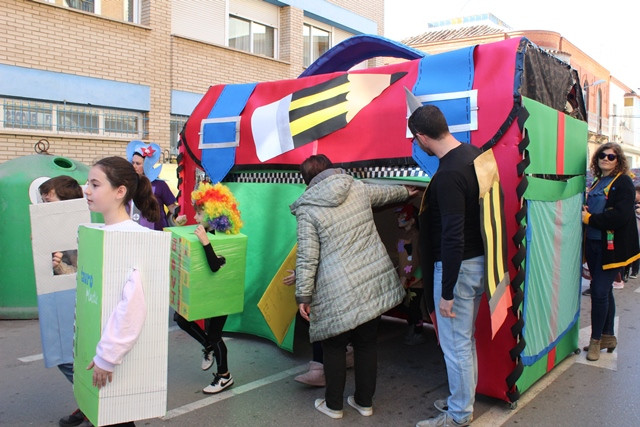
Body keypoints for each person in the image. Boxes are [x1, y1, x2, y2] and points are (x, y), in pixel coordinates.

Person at [290, 154, 417, 419]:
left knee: (334, 347)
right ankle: (364, 403)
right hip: (371, 281)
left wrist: (303, 294)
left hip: (336, 289)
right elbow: (386, 194)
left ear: (306, 180)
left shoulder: (308, 208)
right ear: (331, 169)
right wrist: (407, 190)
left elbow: (307, 257)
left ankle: (334, 405)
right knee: (367, 344)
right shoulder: (356, 187)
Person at [409, 105, 485, 427]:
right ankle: (460, 401)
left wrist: (448, 291)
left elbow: (452, 235)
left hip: (459, 268)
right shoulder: (472, 154)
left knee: (456, 347)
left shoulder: (450, 174)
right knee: (464, 342)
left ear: (423, 137)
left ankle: (458, 416)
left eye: (417, 139)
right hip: (479, 261)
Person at [83, 156, 161, 427]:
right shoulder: (101, 232)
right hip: (100, 352)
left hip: (115, 361)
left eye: (95, 184)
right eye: (87, 183)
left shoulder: (130, 237)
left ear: (120, 192)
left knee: (116, 419)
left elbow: (133, 308)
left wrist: (107, 356)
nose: (86, 190)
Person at [172, 181, 240, 394]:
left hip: (221, 294)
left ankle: (224, 376)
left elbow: (214, 265)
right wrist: (177, 224)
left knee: (215, 335)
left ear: (214, 214)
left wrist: (205, 242)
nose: (196, 218)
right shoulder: (207, 233)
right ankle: (208, 347)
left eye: (200, 214)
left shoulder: (226, 238)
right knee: (180, 318)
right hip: (208, 292)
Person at [581, 143, 640, 361]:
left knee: (598, 291)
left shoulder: (623, 181)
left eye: (611, 156)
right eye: (602, 155)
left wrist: (591, 219)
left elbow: (621, 215)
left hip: (612, 249)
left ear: (618, 160)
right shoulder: (598, 181)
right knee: (605, 291)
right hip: (595, 245)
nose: (606, 159)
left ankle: (595, 341)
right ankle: (609, 336)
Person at [37, 176, 87, 427]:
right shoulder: (51, 227)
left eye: (49, 199)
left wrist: (61, 267)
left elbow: (80, 271)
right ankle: (88, 403)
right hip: (58, 297)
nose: (45, 204)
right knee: (65, 357)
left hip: (78, 300)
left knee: (71, 357)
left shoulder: (78, 227)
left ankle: (93, 406)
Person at [127, 140, 185, 230]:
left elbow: (172, 207)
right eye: (133, 163)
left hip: (156, 233)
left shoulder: (159, 185)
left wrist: (180, 215)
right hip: (131, 232)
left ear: (147, 165)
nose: (134, 166)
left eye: (138, 163)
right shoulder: (128, 184)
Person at [395, 203, 427, 346]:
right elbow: (403, 257)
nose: (399, 219)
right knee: (404, 305)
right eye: (399, 216)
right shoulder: (403, 235)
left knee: (413, 306)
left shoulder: (416, 236)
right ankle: (412, 328)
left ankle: (418, 332)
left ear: (412, 220)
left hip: (415, 279)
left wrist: (405, 276)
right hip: (405, 277)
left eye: (403, 216)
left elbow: (413, 260)